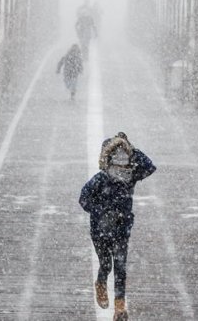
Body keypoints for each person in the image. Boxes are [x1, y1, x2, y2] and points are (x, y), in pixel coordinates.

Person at [79, 132, 156, 321]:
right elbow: (84, 198)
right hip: (100, 231)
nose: (121, 163)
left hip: (122, 230)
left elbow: (149, 166)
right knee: (106, 264)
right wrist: (100, 212)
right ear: (108, 159)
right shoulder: (100, 179)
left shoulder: (130, 177)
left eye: (124, 157)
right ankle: (101, 282)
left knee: (120, 267)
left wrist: (130, 147)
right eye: (117, 157)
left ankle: (119, 307)